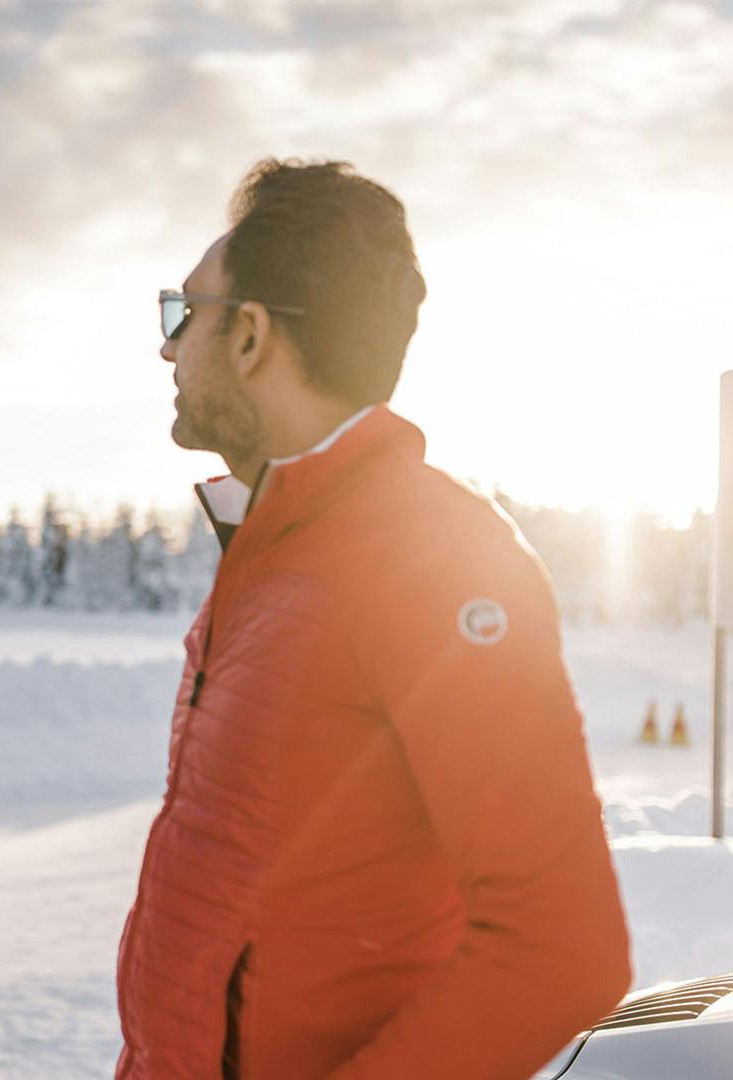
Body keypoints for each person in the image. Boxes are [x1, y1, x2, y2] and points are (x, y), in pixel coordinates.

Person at [116, 159, 631, 1079]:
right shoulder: (272, 552)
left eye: (182, 311)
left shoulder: (428, 557)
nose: (167, 348)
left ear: (250, 336)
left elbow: (561, 950)